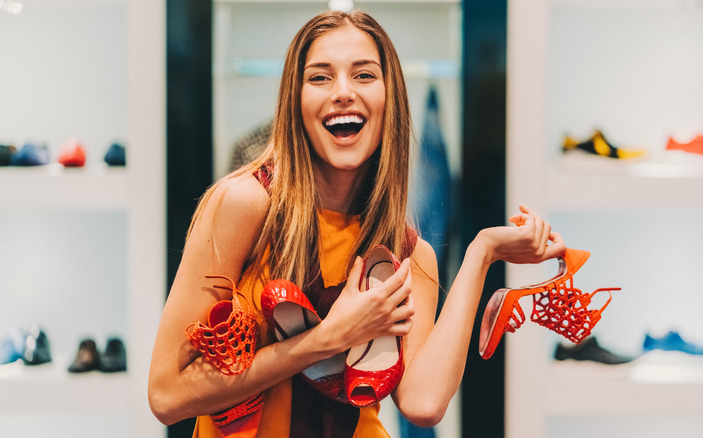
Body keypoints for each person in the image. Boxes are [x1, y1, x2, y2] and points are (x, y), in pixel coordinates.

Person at [148, 9, 566, 437]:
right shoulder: (245, 204)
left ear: (390, 97)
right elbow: (166, 396)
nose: (343, 92)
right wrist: (325, 340)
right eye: (320, 77)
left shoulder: (407, 252)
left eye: (364, 75)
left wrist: (483, 252)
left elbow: (422, 404)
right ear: (295, 100)